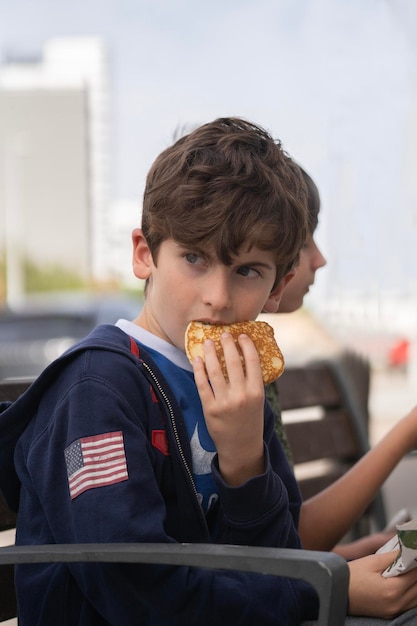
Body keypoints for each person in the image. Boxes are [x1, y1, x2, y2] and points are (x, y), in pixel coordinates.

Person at [0, 117, 417, 625]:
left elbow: (278, 557)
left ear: (277, 288)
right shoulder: (96, 390)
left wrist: (245, 462)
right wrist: (327, 592)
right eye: (194, 258)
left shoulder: (240, 384)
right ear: (144, 254)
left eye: (247, 271)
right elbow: (130, 588)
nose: (218, 298)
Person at [266, 168, 412, 564]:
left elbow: (279, 540)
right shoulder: (235, 379)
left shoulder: (256, 365)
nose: (320, 259)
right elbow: (283, 547)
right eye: (304, 240)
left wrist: (351, 553)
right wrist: (407, 432)